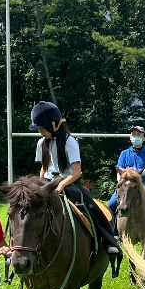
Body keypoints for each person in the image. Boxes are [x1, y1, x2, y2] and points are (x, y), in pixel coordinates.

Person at [31, 101, 121, 259]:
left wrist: (61, 185)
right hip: (47, 183)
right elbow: (44, 168)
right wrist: (39, 186)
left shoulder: (69, 142)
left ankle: (110, 240)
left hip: (68, 182)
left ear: (54, 125)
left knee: (91, 205)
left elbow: (77, 172)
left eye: (42, 127)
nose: (40, 131)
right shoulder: (41, 143)